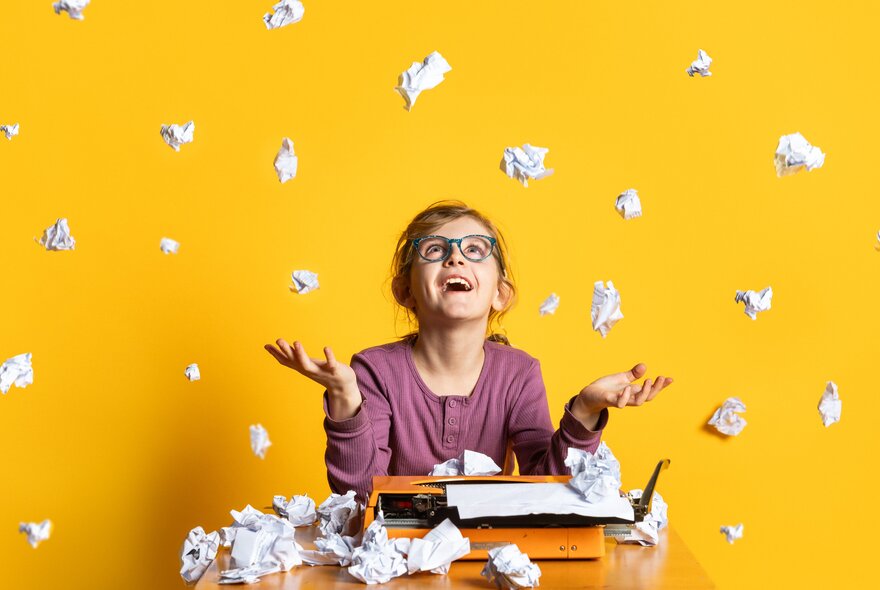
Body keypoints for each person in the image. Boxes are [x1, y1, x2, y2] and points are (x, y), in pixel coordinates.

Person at [264, 200, 672, 502]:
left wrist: (583, 411)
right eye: (435, 250)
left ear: (500, 293)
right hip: (397, 560)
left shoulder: (519, 373)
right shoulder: (373, 370)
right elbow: (359, 496)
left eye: (475, 250)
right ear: (405, 290)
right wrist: (345, 400)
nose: (456, 255)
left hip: (494, 556)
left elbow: (548, 486)